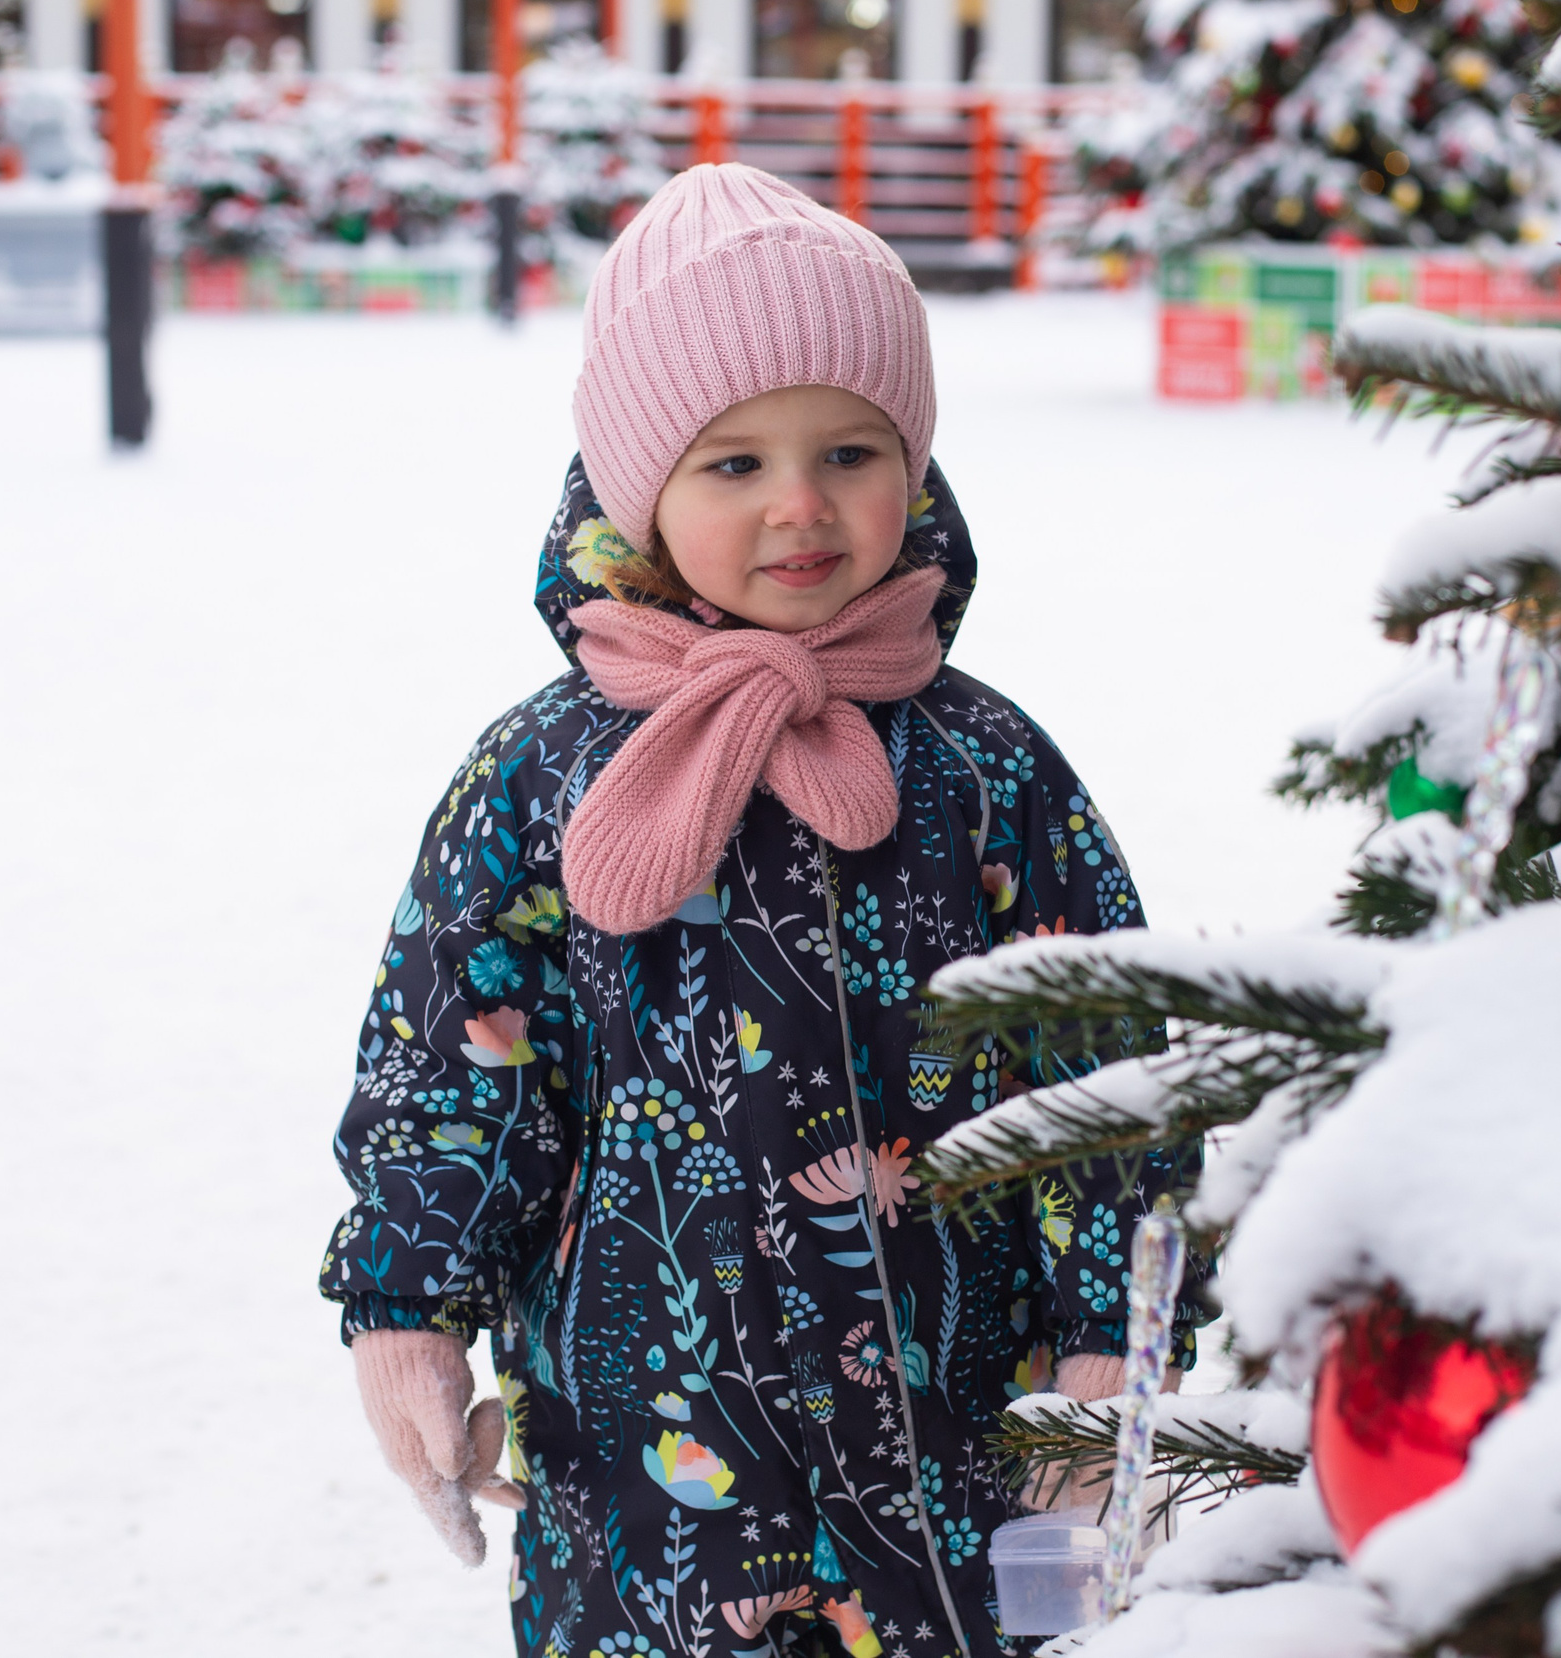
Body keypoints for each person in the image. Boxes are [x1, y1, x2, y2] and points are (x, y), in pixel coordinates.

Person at [320, 163, 1200, 1658]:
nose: (802, 504)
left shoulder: (987, 769)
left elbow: (1100, 1062)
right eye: (733, 464)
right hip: (647, 1471)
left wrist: (1108, 1341)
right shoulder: (541, 775)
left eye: (851, 449)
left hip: (953, 1449)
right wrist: (406, 1306)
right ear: (637, 492)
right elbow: (454, 1059)